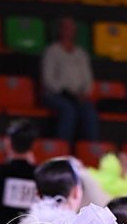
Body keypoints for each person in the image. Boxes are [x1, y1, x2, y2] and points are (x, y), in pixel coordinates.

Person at [41, 17, 99, 147]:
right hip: (56, 94)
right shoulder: (52, 51)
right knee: (68, 111)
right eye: (65, 28)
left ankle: (89, 150)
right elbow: (48, 79)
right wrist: (65, 91)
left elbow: (88, 79)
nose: (68, 31)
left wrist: (84, 92)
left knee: (89, 112)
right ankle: (63, 148)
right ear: (60, 30)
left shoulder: (81, 54)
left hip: (78, 96)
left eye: (71, 28)